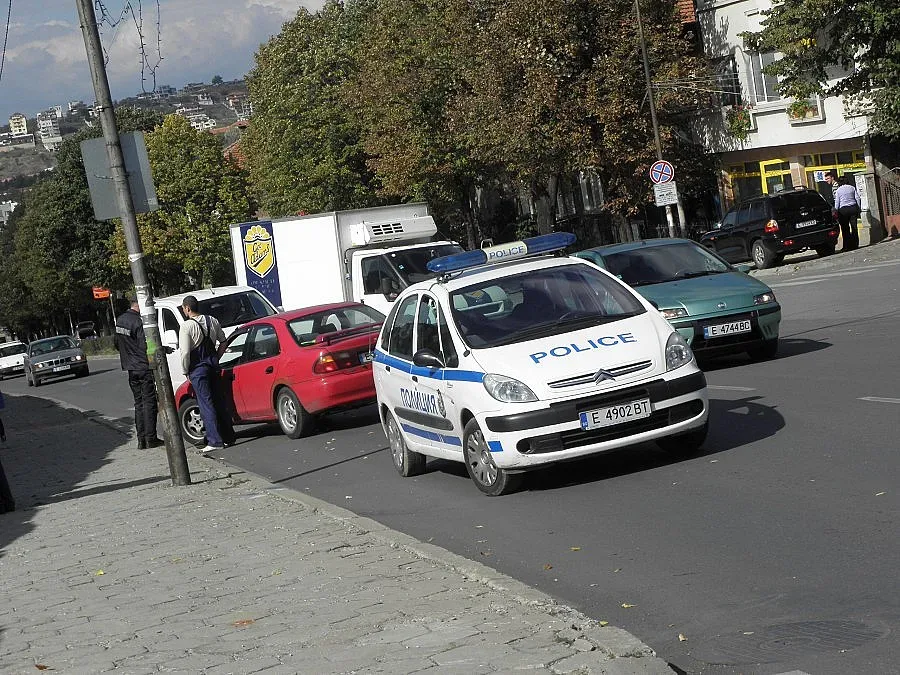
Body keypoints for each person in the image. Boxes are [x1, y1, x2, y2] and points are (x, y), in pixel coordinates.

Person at [179, 295, 233, 453]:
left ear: (187, 308)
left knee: (206, 404)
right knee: (219, 401)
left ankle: (214, 441)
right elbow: (223, 341)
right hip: (213, 366)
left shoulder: (187, 326)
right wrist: (216, 357)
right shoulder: (213, 320)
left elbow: (184, 352)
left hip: (198, 369)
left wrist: (185, 370)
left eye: (183, 308)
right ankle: (228, 436)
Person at [115, 298, 162, 449]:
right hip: (143, 367)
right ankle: (151, 438)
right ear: (139, 306)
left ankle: (141, 439)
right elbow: (146, 345)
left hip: (130, 368)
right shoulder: (139, 322)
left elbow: (117, 343)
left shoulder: (120, 321)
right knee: (149, 403)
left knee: (138, 403)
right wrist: (157, 354)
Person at [834, 175, 862, 252]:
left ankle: (846, 246)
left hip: (843, 211)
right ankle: (855, 245)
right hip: (853, 208)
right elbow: (858, 198)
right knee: (854, 228)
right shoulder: (852, 188)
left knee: (845, 229)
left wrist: (835, 211)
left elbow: (837, 202)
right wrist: (858, 208)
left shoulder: (839, 190)